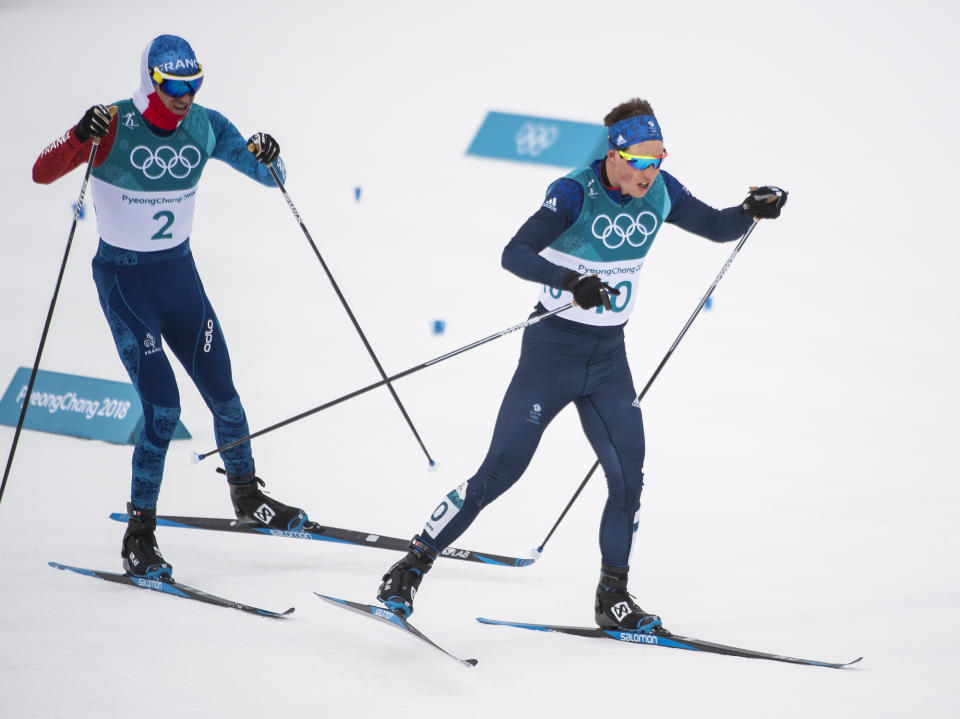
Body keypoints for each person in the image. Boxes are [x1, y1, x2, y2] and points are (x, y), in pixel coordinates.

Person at [376, 98, 787, 632]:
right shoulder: (574, 192)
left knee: (628, 479)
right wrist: (572, 281)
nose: (651, 171)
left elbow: (714, 226)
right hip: (552, 352)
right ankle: (409, 567)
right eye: (640, 162)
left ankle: (612, 598)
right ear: (614, 155)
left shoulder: (661, 189)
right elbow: (514, 253)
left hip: (609, 361)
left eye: (659, 158)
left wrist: (752, 209)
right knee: (501, 470)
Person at [32, 35, 309, 580]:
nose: (185, 96)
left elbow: (269, 178)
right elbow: (42, 172)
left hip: (180, 277)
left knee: (225, 394)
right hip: (126, 283)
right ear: (150, 82)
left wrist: (271, 156)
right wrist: (75, 137)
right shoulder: (110, 123)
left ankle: (248, 496)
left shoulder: (205, 125)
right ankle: (139, 535)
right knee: (163, 410)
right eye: (174, 86)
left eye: (193, 84)